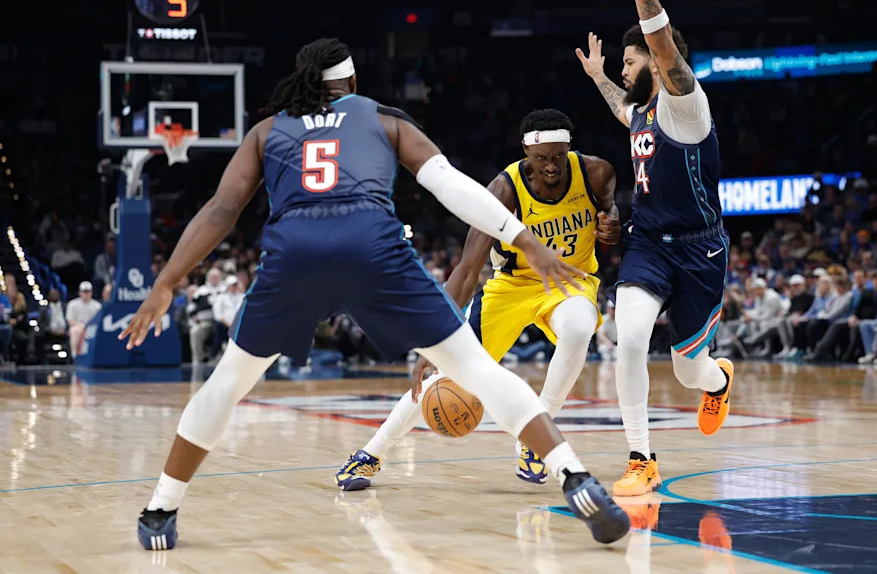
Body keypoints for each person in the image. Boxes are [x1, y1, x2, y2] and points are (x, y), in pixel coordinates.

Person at [122, 38, 629, 551]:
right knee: (477, 370)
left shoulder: (266, 131)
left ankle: (161, 509)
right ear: (353, 84)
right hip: (373, 251)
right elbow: (448, 184)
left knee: (226, 384)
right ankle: (573, 476)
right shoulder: (382, 118)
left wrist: (166, 283)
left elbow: (220, 211)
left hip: (294, 258)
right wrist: (523, 239)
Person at [336, 108, 620, 488]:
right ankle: (370, 454)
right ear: (525, 152)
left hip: (569, 281)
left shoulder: (596, 172)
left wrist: (611, 223)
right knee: (445, 372)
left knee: (579, 328)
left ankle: (536, 438)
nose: (550, 167)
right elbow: (468, 269)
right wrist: (434, 340)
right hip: (511, 285)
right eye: (540, 159)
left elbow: (609, 212)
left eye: (557, 157)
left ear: (569, 149)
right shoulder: (503, 191)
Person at [574, 0, 734, 497]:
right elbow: (621, 107)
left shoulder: (686, 105)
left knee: (690, 370)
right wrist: (597, 75)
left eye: (628, 59)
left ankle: (717, 379)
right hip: (649, 245)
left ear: (656, 62)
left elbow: (663, 44)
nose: (624, 67)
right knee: (629, 334)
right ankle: (642, 456)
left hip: (700, 248)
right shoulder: (641, 113)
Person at [66, 281, 101, 358]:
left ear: (91, 292)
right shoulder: (72, 304)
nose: (86, 294)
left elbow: (99, 321)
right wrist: (82, 326)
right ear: (80, 292)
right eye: (84, 292)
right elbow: (70, 320)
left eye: (88, 292)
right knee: (74, 330)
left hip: (92, 328)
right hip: (78, 328)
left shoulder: (97, 306)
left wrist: (88, 327)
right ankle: (74, 354)